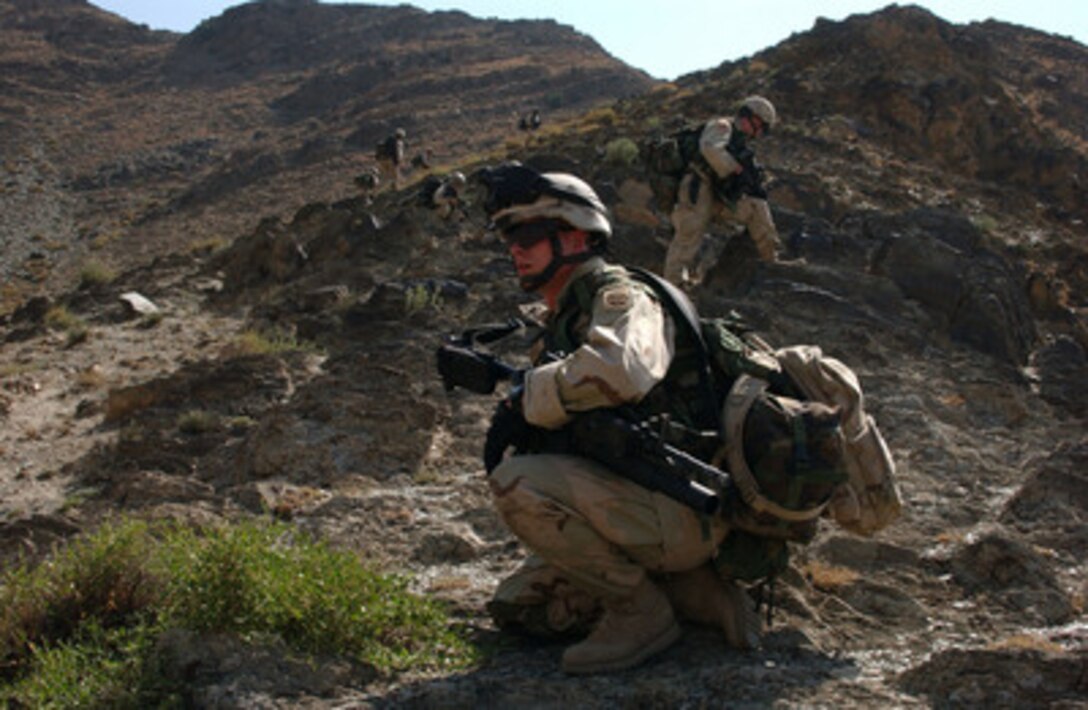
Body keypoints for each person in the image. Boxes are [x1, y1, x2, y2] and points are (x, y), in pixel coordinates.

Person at [476, 164, 760, 675]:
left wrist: (527, 393)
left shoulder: (621, 296)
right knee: (522, 605)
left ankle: (641, 613)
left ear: (579, 236)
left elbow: (620, 369)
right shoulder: (568, 314)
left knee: (515, 485)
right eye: (508, 237)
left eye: (529, 235)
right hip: (648, 503)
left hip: (680, 505)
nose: (515, 249)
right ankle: (697, 593)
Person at [663, 95, 782, 287]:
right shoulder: (722, 126)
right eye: (761, 127)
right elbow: (710, 149)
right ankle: (673, 287)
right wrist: (736, 169)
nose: (759, 133)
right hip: (698, 186)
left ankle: (771, 259)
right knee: (689, 234)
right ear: (754, 118)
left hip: (719, 193)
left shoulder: (740, 142)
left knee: (756, 207)